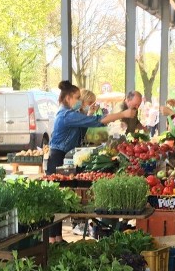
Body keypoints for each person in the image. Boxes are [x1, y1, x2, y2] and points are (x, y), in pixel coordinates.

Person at [47, 81, 135, 242]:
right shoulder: (66, 115)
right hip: (57, 159)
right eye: (77, 97)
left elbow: (83, 127)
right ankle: (53, 239)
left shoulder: (68, 113)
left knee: (59, 199)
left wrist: (88, 114)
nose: (79, 101)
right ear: (67, 98)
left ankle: (57, 238)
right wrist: (123, 114)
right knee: (56, 200)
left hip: (63, 157)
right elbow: (97, 121)